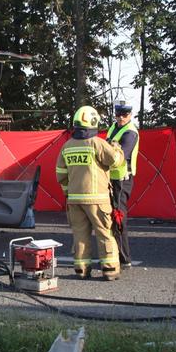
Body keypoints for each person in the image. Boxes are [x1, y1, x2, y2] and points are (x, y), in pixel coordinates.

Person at [56, 106, 124, 281]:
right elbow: (115, 161)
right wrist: (116, 148)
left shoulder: (67, 146)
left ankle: (82, 269)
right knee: (104, 233)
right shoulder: (97, 143)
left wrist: (69, 193)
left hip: (74, 201)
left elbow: (61, 175)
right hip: (97, 200)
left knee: (80, 234)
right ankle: (109, 270)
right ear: (93, 122)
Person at [104, 102, 139, 268]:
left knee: (118, 216)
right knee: (110, 216)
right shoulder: (113, 127)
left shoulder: (130, 132)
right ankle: (114, 254)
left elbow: (120, 156)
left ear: (130, 115)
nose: (121, 118)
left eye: (124, 115)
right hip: (111, 177)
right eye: (118, 115)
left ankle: (125, 258)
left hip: (122, 179)